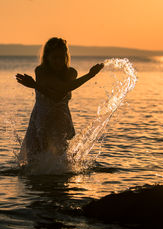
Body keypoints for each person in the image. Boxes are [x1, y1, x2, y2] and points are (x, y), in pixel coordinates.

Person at [16, 37, 104, 165]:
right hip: (40, 118)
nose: (58, 61)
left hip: (59, 119)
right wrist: (36, 85)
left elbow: (60, 94)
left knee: (60, 160)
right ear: (47, 57)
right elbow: (52, 92)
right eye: (54, 58)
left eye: (61, 57)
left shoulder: (71, 73)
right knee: (33, 161)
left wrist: (90, 75)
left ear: (66, 57)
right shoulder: (41, 71)